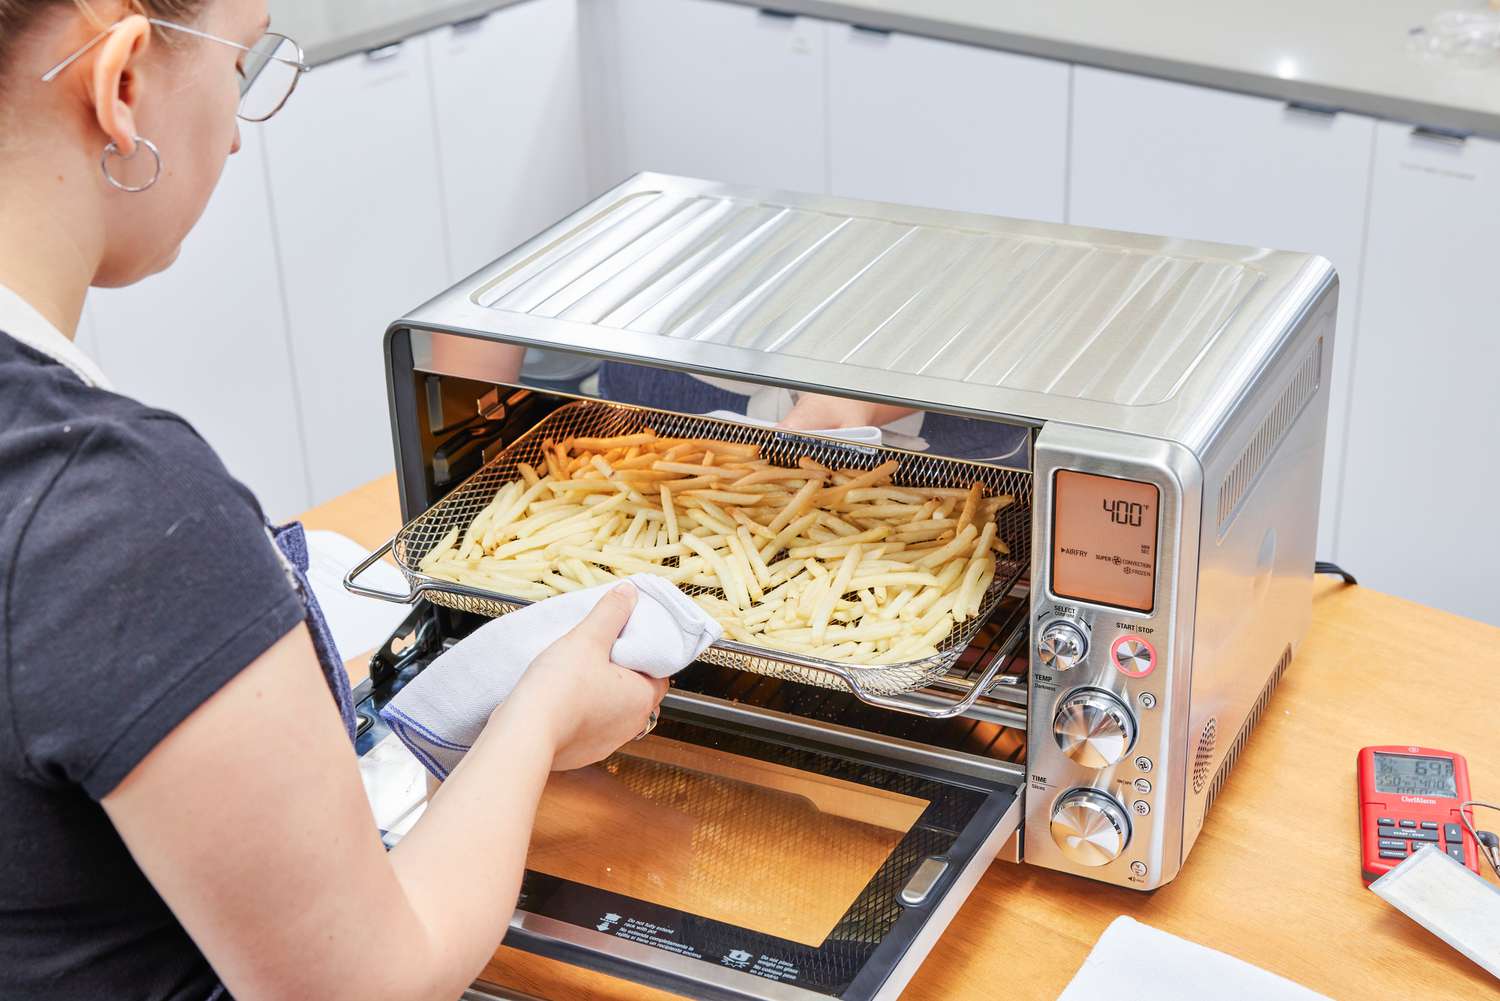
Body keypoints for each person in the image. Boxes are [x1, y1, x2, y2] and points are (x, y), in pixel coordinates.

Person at [0, 3, 666, 999]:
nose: (233, 128)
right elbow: (373, 984)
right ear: (124, 80)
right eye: (245, 60)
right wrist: (542, 711)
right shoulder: (119, 514)